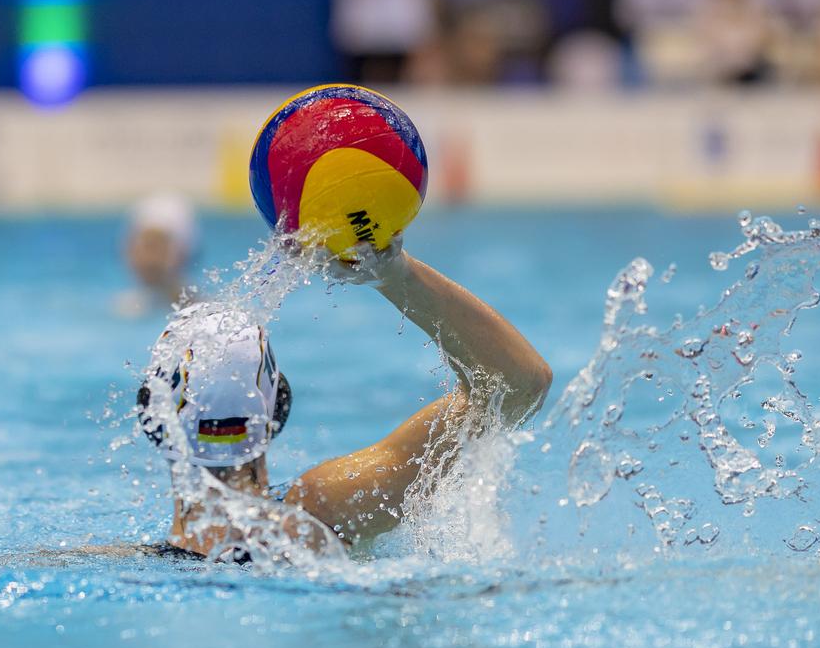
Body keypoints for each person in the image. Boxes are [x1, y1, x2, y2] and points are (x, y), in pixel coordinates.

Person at [137, 237, 552, 559]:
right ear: (278, 407)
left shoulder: (118, 568)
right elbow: (519, 384)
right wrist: (395, 275)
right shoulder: (317, 515)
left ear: (151, 418)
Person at [115, 192, 198, 318]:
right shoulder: (124, 307)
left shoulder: (202, 313)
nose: (147, 258)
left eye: (156, 246)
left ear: (182, 254)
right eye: (142, 245)